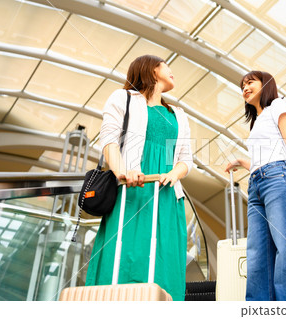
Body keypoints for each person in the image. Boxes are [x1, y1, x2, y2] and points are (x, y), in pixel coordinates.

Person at [85, 55, 193, 301]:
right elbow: (109, 141)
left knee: (164, 260)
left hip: (166, 196)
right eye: (166, 65)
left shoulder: (179, 114)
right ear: (152, 70)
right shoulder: (123, 98)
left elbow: (186, 158)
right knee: (125, 256)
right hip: (131, 192)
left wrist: (173, 174)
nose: (172, 70)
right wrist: (124, 170)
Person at [225, 71, 286, 301]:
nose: (244, 88)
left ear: (265, 84)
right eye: (242, 86)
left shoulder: (278, 105)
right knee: (257, 255)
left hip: (280, 178)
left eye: (250, 83)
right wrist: (241, 162)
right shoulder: (258, 121)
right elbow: (264, 159)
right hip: (257, 183)